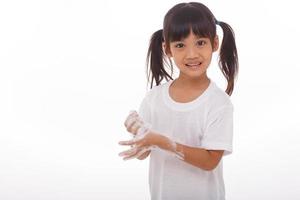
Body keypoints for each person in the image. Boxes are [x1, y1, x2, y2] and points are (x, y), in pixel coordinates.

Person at [119, 2, 238, 200]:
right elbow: (144, 153)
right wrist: (139, 136)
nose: (192, 54)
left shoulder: (219, 103)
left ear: (214, 43)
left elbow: (210, 161)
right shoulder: (154, 99)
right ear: (167, 49)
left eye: (200, 42)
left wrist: (163, 142)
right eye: (180, 45)